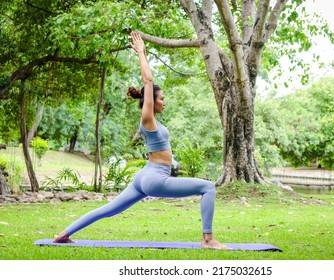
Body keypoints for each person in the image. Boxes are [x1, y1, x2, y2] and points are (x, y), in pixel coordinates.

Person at [53, 31, 228, 250]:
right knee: (208, 187)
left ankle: (62, 235)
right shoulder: (148, 119)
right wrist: (141, 53)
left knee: (109, 209)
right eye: (161, 98)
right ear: (150, 101)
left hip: (145, 176)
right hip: (156, 178)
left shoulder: (154, 122)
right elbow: (148, 80)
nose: (164, 102)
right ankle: (208, 240)